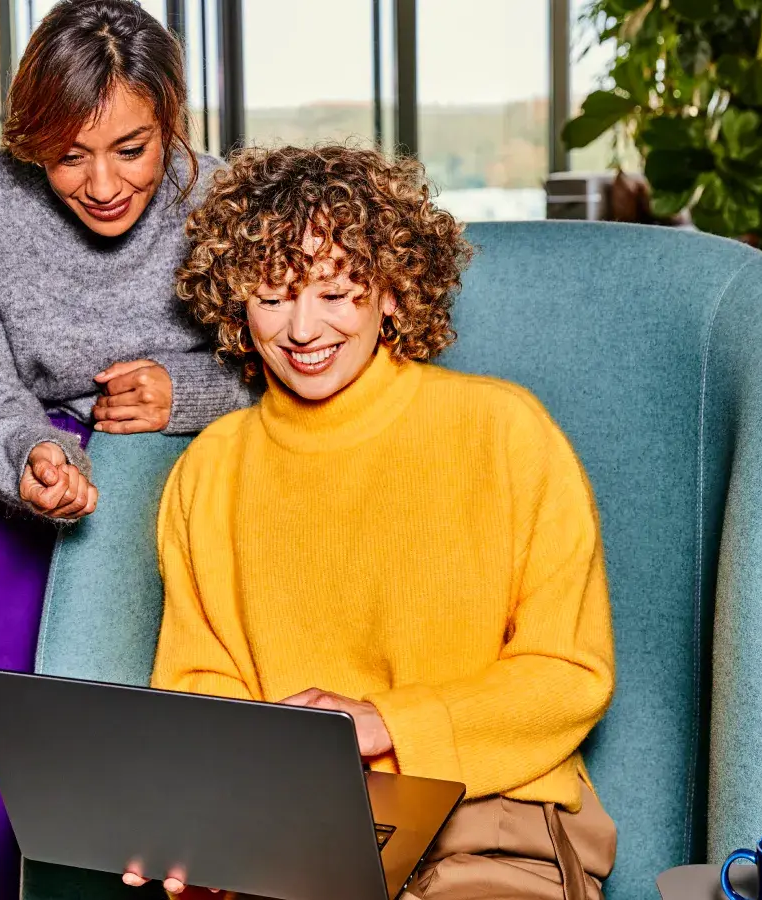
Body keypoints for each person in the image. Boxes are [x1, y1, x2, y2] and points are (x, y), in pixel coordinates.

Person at [128, 146, 618, 900]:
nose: (301, 328)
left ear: (392, 290)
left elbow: (569, 676)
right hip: (294, 836)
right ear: (235, 305)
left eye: (334, 291)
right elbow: (202, 685)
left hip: (490, 826)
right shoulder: (209, 472)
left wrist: (386, 723)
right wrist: (197, 815)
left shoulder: (506, 433)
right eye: (272, 295)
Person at [0, 2, 250, 898]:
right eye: (68, 155)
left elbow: (288, 358)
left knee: (145, 771)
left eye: (131, 149)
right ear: (32, 141)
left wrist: (191, 393)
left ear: (170, 121)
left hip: (166, 490)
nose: (102, 183)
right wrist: (29, 458)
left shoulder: (220, 201)